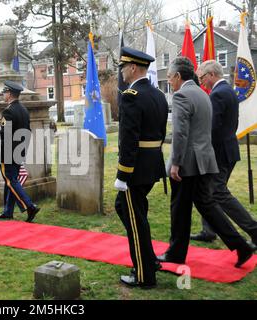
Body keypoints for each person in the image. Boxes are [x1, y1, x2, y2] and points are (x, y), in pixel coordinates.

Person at [158, 57, 254, 268]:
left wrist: (175, 163)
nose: (169, 82)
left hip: (188, 164)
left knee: (180, 209)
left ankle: (175, 253)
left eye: (170, 78)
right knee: (207, 205)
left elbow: (181, 134)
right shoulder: (203, 94)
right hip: (205, 161)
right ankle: (241, 246)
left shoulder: (182, 95)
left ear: (177, 76)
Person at [114, 47, 169, 289]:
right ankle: (149, 258)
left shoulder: (131, 95)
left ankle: (145, 274)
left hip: (135, 169)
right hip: (152, 164)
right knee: (127, 209)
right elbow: (161, 132)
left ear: (133, 68)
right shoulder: (157, 94)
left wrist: (123, 174)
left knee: (135, 219)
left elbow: (129, 139)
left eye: (124, 67)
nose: (123, 72)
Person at [190, 60, 257, 250]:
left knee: (218, 193)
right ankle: (209, 230)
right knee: (208, 191)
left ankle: (254, 229)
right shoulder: (228, 91)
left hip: (219, 153)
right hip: (227, 150)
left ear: (211, 75)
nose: (201, 82)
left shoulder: (218, 94)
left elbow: (212, 128)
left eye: (202, 77)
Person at [0, 80, 40, 222]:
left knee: (10, 180)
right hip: (19, 150)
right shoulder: (23, 109)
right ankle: (8, 211)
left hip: (9, 152)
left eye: (4, 92)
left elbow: (5, 134)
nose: (3, 94)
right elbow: (27, 131)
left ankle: (30, 205)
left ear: (9, 94)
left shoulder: (8, 111)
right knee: (11, 180)